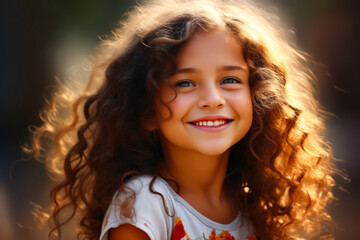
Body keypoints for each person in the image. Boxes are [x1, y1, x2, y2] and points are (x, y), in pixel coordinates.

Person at [27, 0, 336, 239]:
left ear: (259, 99)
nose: (213, 98)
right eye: (185, 83)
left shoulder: (251, 206)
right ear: (146, 110)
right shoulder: (145, 203)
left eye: (230, 80)